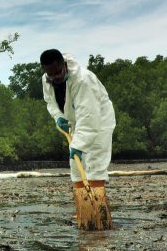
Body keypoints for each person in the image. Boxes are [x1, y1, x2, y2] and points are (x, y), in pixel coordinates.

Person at [40, 49, 116, 203]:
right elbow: (50, 102)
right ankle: (83, 207)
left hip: (99, 120)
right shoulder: (46, 79)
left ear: (64, 65)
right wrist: (59, 117)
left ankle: (98, 207)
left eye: (58, 73)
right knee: (76, 165)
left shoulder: (83, 80)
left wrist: (79, 144)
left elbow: (88, 116)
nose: (55, 77)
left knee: (95, 162)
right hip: (75, 122)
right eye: (51, 74)